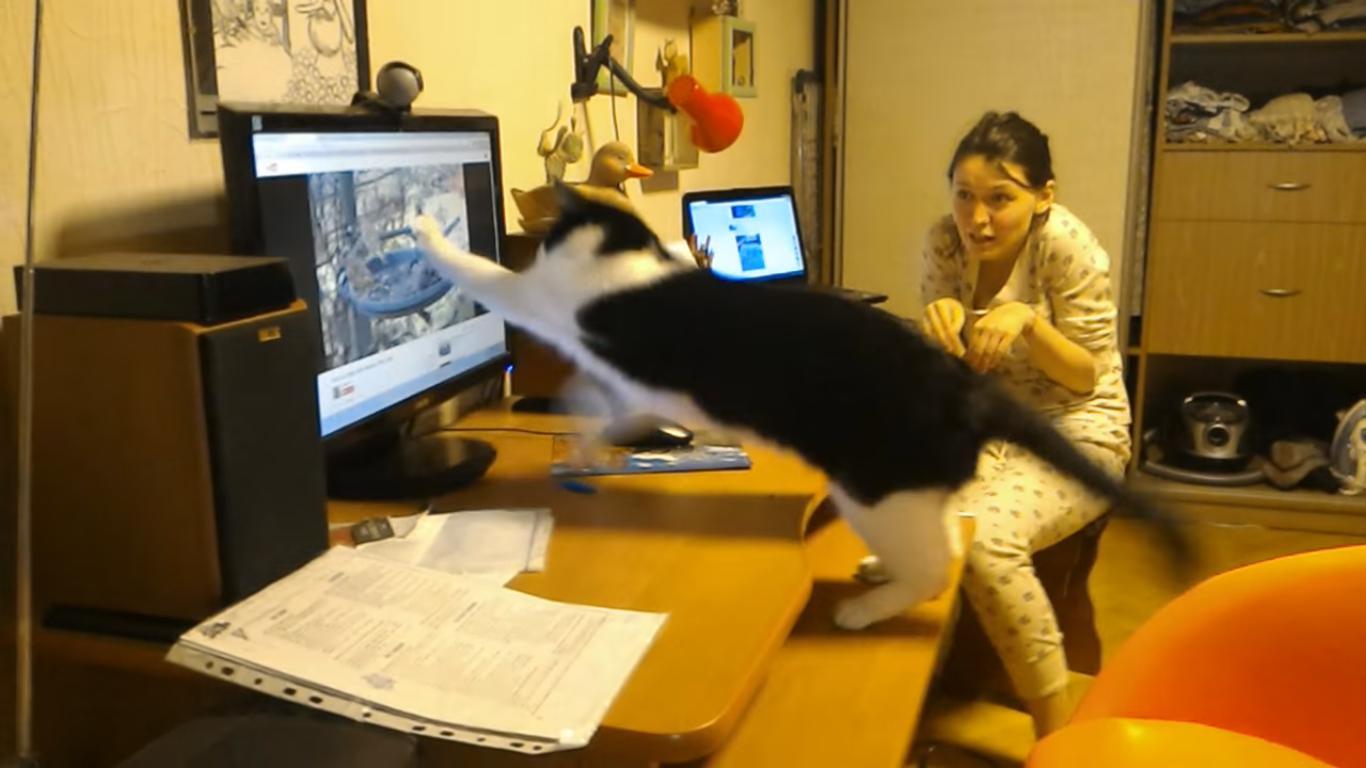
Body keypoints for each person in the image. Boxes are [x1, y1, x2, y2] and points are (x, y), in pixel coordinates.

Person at [920, 111, 1132, 736]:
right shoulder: (942, 242)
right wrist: (941, 333)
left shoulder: (1065, 246)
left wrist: (1027, 321)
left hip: (1079, 429)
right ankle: (925, 692)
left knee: (983, 538)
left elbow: (1086, 376)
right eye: (964, 196)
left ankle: (1054, 731)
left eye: (1000, 199)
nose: (978, 219)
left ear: (1044, 196)